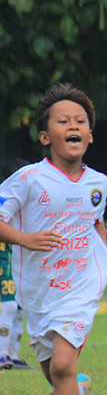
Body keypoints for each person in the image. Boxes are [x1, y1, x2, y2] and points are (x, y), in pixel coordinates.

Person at [0, 83, 107, 395]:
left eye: (80, 121)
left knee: (61, 366)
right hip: (38, 293)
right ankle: (81, 391)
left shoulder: (100, 182)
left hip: (79, 287)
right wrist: (25, 239)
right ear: (45, 136)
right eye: (63, 121)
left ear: (90, 135)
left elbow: (95, 226)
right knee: (57, 375)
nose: (73, 126)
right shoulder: (27, 180)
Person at [0, 158, 35, 370]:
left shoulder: (30, 201)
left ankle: (13, 355)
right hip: (4, 257)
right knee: (10, 304)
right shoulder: (5, 197)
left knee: (20, 307)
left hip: (20, 259)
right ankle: (2, 354)